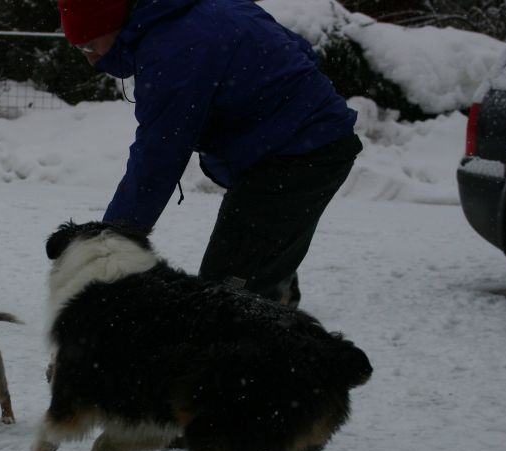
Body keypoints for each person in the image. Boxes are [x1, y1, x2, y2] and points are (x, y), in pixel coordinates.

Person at [58, 0, 363, 307]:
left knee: (224, 295)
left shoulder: (171, 50)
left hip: (297, 155)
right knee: (255, 268)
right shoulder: (196, 10)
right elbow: (298, 50)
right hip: (309, 144)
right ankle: (275, 303)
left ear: (113, 21)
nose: (91, 59)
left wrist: (113, 238)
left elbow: (158, 154)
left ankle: (265, 327)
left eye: (90, 45)